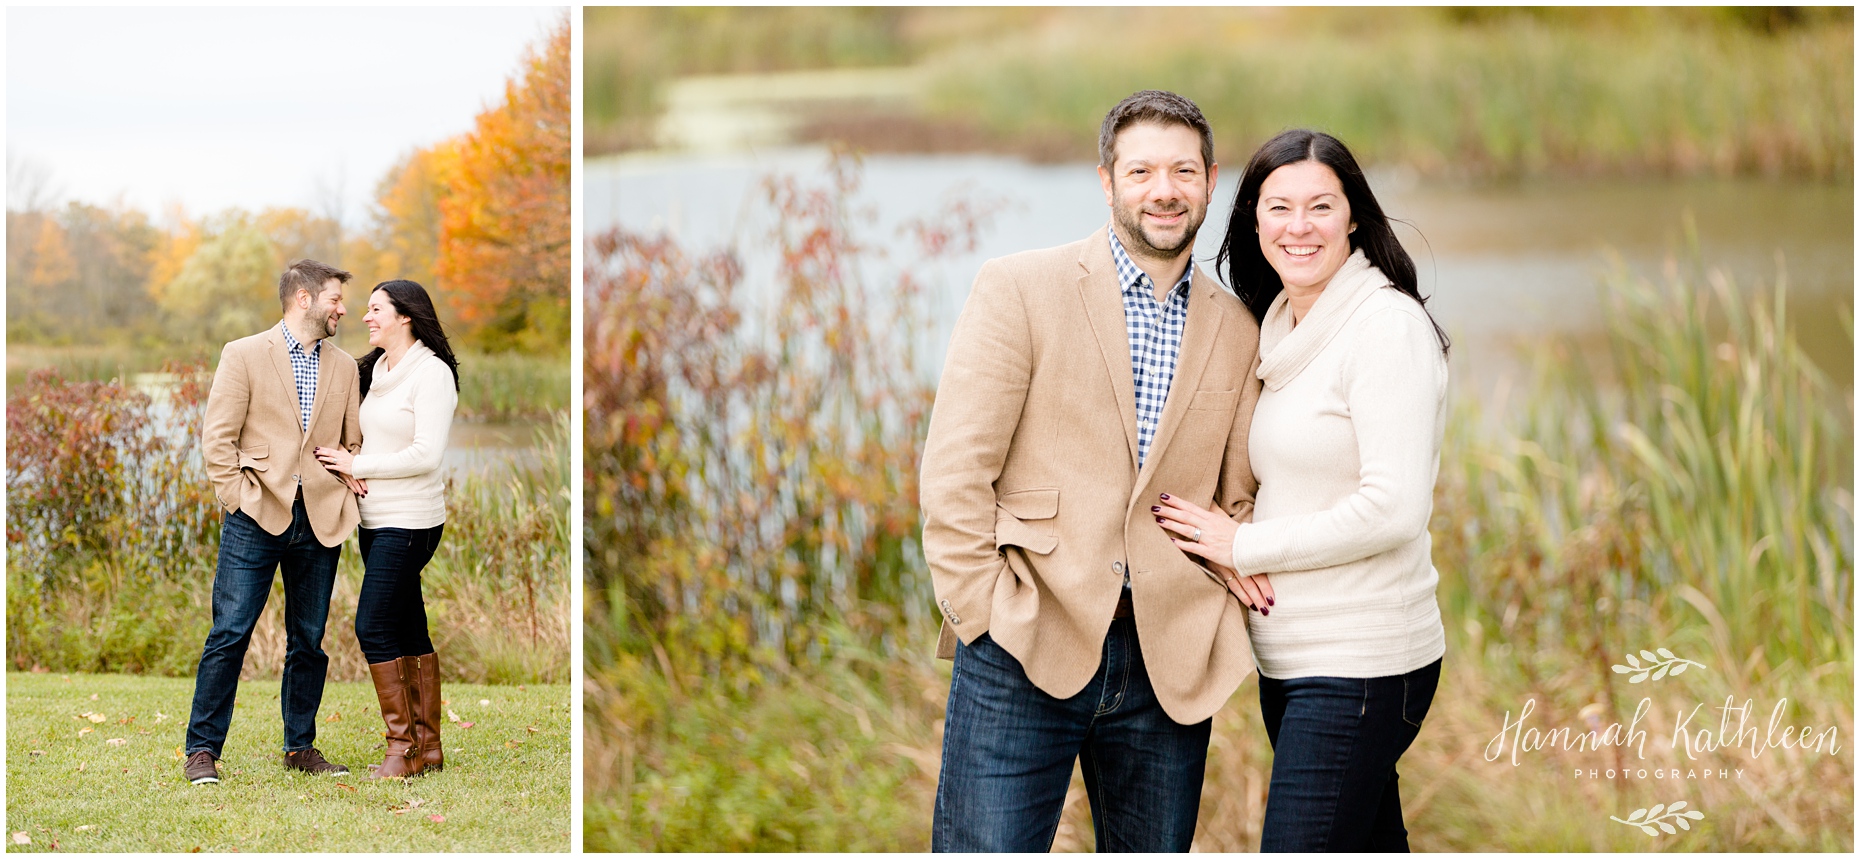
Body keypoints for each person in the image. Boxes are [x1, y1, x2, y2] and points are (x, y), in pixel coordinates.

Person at [920, 90, 1263, 852]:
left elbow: (1239, 494)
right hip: (1023, 637)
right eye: (1141, 170)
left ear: (1211, 181)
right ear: (1107, 182)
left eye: (1182, 170)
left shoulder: (1239, 329)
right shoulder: (1020, 288)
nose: (1163, 189)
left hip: (1164, 665)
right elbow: (954, 472)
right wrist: (983, 611)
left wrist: (1218, 600)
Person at [1153, 128, 1451, 851]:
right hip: (1293, 660)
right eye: (1278, 207)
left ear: (1354, 216)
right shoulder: (1281, 324)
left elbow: (1395, 506)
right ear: (1253, 221)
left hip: (1363, 660)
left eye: (1321, 206)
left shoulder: (1385, 328)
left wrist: (1244, 542)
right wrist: (1220, 544)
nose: (1298, 227)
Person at [184, 259, 365, 784]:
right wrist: (236, 497)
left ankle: (300, 746)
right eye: (335, 298)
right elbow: (218, 438)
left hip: (322, 518)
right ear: (304, 299)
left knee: (308, 639)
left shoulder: (346, 366)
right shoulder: (242, 354)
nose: (342, 308)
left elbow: (353, 442)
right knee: (230, 632)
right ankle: (202, 750)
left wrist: (344, 478)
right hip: (256, 513)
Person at [312, 280, 460, 780]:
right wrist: (345, 465)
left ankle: (402, 750)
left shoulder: (432, 374)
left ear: (406, 317)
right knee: (406, 625)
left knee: (372, 625)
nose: (367, 317)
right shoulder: (372, 371)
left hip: (412, 520)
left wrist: (361, 464)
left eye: (376, 309)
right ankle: (428, 748)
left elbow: (427, 454)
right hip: (374, 521)